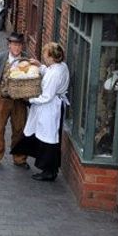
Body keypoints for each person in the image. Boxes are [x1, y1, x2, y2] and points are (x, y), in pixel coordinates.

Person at [13, 42, 69, 181]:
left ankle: (49, 171)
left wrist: (30, 100)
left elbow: (47, 97)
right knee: (46, 136)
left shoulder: (55, 74)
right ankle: (49, 169)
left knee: (48, 139)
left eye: (45, 54)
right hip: (51, 107)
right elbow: (48, 71)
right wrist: (40, 66)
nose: (43, 56)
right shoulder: (60, 67)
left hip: (50, 109)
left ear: (51, 57)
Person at [0, 32, 30, 168]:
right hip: (2, 99)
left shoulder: (27, 60)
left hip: (19, 101)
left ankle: (20, 158)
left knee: (20, 130)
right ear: (9, 45)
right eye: (14, 45)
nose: (17, 48)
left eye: (19, 45)